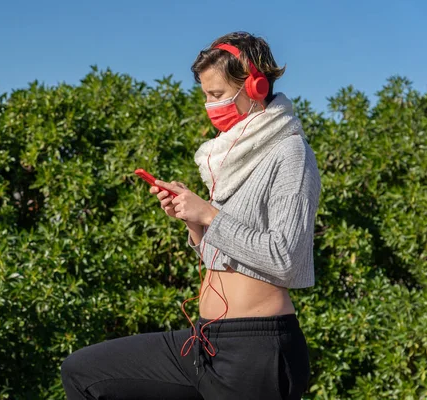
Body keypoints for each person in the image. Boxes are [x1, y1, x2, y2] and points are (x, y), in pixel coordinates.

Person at [61, 31, 321, 400]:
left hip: (255, 350)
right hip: (202, 342)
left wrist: (211, 215)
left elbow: (286, 260)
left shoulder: (290, 153)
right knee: (82, 372)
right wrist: (194, 222)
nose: (210, 106)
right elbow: (226, 259)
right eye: (205, 96)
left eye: (217, 95)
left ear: (257, 86)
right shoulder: (232, 159)